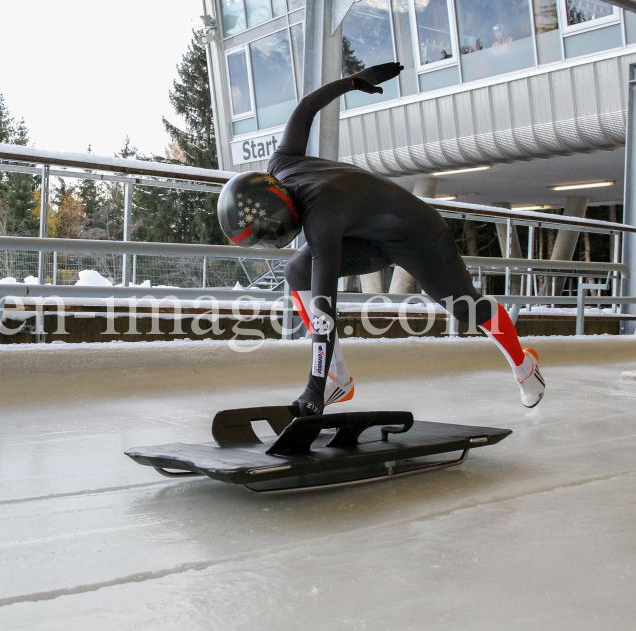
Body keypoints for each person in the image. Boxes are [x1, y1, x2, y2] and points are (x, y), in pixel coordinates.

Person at [217, 62, 544, 417]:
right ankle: (337, 380)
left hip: (418, 234)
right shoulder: (280, 164)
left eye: (267, 236)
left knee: (466, 308)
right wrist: (353, 82)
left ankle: (524, 365)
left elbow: (325, 309)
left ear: (277, 214)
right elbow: (306, 106)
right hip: (368, 234)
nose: (272, 243)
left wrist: (311, 387)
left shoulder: (321, 215)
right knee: (297, 269)